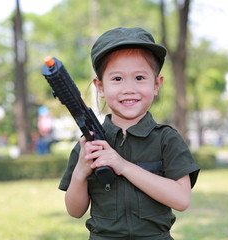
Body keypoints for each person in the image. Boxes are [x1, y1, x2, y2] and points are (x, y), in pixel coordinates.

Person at [59, 27, 200, 239]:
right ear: (101, 87)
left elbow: (181, 199)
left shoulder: (166, 139)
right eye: (117, 79)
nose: (129, 88)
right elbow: (75, 210)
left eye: (140, 78)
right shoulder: (88, 143)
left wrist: (122, 166)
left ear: (156, 84)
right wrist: (81, 171)